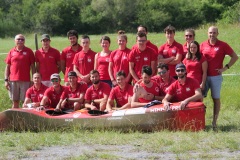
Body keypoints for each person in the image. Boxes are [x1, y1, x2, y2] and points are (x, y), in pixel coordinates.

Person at [200, 26, 238, 130]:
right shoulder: (202, 45)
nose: (212, 35)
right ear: (207, 33)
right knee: (200, 98)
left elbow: (235, 57)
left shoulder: (223, 45)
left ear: (217, 33)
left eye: (214, 33)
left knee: (216, 99)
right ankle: (200, 121)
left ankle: (214, 122)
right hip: (204, 76)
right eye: (210, 33)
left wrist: (226, 68)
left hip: (216, 77)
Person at [4, 34, 35, 108]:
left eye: (22, 39)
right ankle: (15, 118)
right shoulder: (11, 51)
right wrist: (6, 80)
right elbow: (7, 66)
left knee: (26, 101)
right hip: (13, 80)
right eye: (18, 39)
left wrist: (33, 80)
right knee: (15, 101)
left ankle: (24, 118)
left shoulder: (29, 51)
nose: (20, 41)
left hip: (25, 80)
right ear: (15, 41)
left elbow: (33, 67)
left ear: (24, 41)